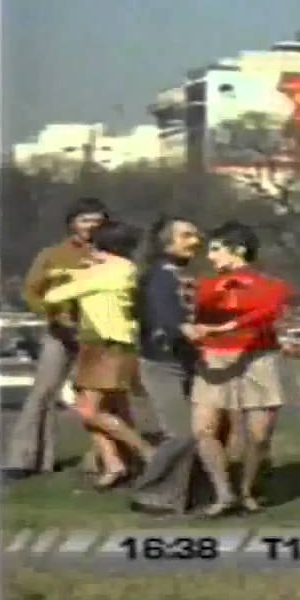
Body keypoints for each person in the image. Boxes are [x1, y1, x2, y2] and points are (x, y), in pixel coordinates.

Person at [190, 221, 297, 517]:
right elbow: (195, 317)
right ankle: (223, 492)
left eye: (216, 249)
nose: (210, 257)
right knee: (203, 428)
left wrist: (228, 325)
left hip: (257, 358)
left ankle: (247, 490)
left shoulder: (271, 285)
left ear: (238, 250)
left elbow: (268, 310)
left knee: (259, 434)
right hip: (214, 358)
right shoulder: (206, 285)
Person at [42, 220, 155, 490]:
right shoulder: (120, 269)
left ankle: (147, 453)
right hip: (99, 344)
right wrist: (76, 270)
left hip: (108, 346)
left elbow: (54, 295)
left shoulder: (108, 272)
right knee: (99, 409)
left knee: (89, 410)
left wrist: (70, 274)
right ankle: (115, 465)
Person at [1, 198, 108, 482]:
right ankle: (25, 458)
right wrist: (51, 314)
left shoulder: (112, 254)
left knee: (99, 396)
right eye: (85, 220)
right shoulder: (52, 254)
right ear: (72, 223)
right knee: (43, 391)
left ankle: (101, 458)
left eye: (97, 221)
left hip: (99, 333)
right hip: (61, 331)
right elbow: (31, 291)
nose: (91, 227)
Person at [130, 216, 209, 515]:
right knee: (181, 433)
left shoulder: (176, 274)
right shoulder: (159, 276)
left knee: (193, 431)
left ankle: (178, 497)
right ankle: (148, 493)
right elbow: (162, 313)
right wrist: (184, 329)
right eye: (186, 235)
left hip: (185, 362)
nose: (195, 241)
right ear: (166, 242)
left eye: (197, 235)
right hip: (161, 364)